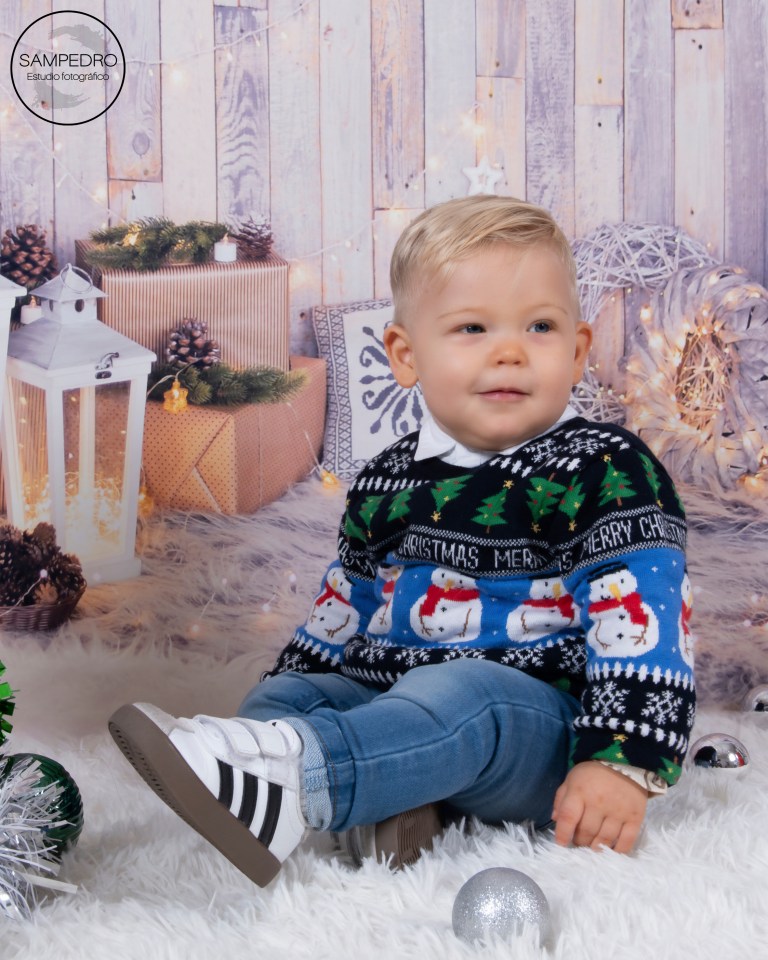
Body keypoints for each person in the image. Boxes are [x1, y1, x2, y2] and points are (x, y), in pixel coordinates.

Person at [109, 195, 695, 887]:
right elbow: (343, 607)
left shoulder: (607, 466)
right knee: (288, 701)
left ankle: (305, 779)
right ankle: (383, 800)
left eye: (539, 326)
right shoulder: (387, 478)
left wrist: (616, 759)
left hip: (539, 732)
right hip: (398, 706)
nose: (510, 350)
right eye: (472, 328)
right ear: (406, 356)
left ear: (576, 350)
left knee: (462, 693)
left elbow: (646, 627)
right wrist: (290, 694)